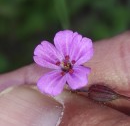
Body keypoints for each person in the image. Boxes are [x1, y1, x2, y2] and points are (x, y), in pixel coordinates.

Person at [0, 31, 130, 126]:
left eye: (66, 64)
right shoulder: (59, 70)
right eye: (63, 64)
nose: (64, 64)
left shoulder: (75, 73)